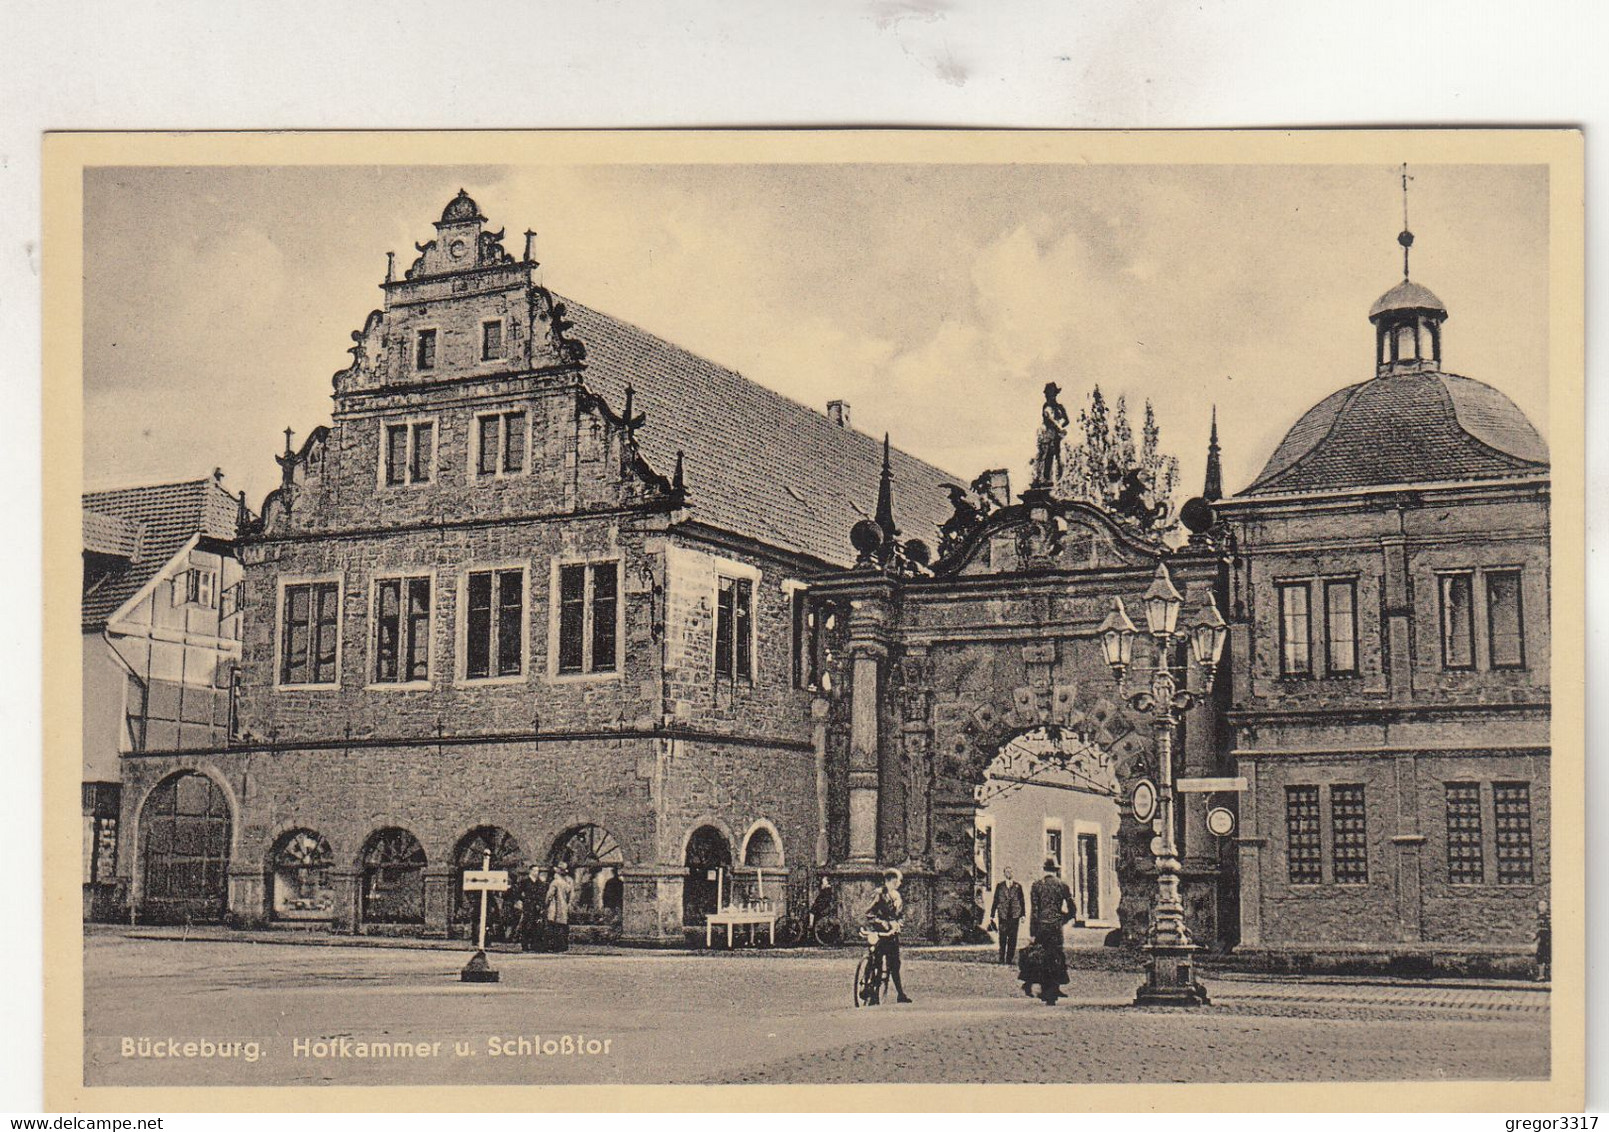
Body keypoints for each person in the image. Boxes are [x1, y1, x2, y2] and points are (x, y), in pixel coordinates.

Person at [1023, 857, 1074, 1004]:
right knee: (1056, 957)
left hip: (1041, 927)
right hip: (1055, 927)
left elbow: (1034, 911)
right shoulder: (1062, 886)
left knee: (1041, 958)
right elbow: (1072, 908)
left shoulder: (1037, 886)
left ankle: (1043, 989)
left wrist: (1032, 932)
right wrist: (1063, 919)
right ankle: (1054, 989)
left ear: (1044, 870)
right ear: (1056, 870)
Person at [865, 868, 912, 1004]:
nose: (900, 883)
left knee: (894, 965)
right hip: (881, 933)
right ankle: (874, 995)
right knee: (877, 963)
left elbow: (900, 916)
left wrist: (898, 924)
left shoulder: (897, 896)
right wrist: (883, 923)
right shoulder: (879, 894)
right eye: (898, 880)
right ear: (892, 880)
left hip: (892, 935)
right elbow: (869, 913)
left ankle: (900, 994)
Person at [988, 866, 1025, 965]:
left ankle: (1009, 959)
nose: (1009, 873)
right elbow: (995, 900)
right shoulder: (1000, 886)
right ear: (1004, 874)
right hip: (1003, 915)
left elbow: (1022, 901)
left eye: (1010, 871)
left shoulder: (1018, 886)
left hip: (1014, 916)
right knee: (1002, 938)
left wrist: (1023, 915)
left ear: (1013, 873)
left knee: (1013, 939)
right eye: (1007, 872)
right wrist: (992, 915)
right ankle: (1001, 958)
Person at [513, 865, 548, 953]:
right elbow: (517, 892)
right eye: (535, 871)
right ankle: (525, 945)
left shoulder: (540, 882)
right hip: (528, 906)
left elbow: (542, 894)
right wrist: (520, 901)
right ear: (530, 871)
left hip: (537, 906)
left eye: (537, 871)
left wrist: (541, 905)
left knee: (536, 926)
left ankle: (534, 945)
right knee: (526, 925)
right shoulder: (525, 882)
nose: (536, 873)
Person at [545, 862, 576, 953]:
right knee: (564, 926)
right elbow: (572, 894)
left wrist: (546, 903)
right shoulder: (569, 881)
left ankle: (554, 946)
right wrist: (570, 904)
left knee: (554, 926)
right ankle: (563, 946)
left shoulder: (555, 882)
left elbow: (549, 895)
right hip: (565, 906)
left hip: (555, 906)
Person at [807, 876, 836, 941]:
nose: (823, 882)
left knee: (812, 911)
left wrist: (817, 904)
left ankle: (811, 925)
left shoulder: (827, 889)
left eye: (824, 881)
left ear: (827, 882)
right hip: (823, 905)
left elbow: (824, 899)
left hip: (823, 906)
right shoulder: (826, 889)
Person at [1535, 899, 1551, 983]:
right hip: (1541, 940)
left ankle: (1547, 975)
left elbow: (1545, 929)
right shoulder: (1538, 917)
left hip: (1547, 939)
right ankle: (1541, 975)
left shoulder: (1548, 917)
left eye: (1543, 905)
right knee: (1540, 956)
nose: (1541, 907)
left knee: (1548, 957)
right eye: (1539, 905)